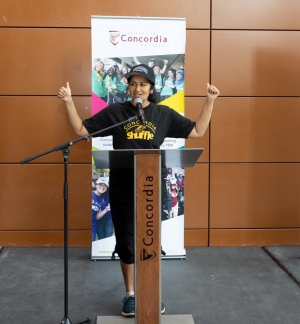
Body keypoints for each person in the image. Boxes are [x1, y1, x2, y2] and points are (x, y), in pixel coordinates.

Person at [57, 63, 220, 317]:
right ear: (128, 87)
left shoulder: (163, 114)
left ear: (151, 89)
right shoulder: (116, 112)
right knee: (126, 241)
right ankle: (131, 294)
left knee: (149, 239)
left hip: (151, 186)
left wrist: (210, 101)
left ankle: (150, 289)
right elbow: (81, 130)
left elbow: (197, 131)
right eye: (133, 83)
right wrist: (68, 102)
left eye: (143, 84)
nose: (138, 88)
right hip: (122, 185)